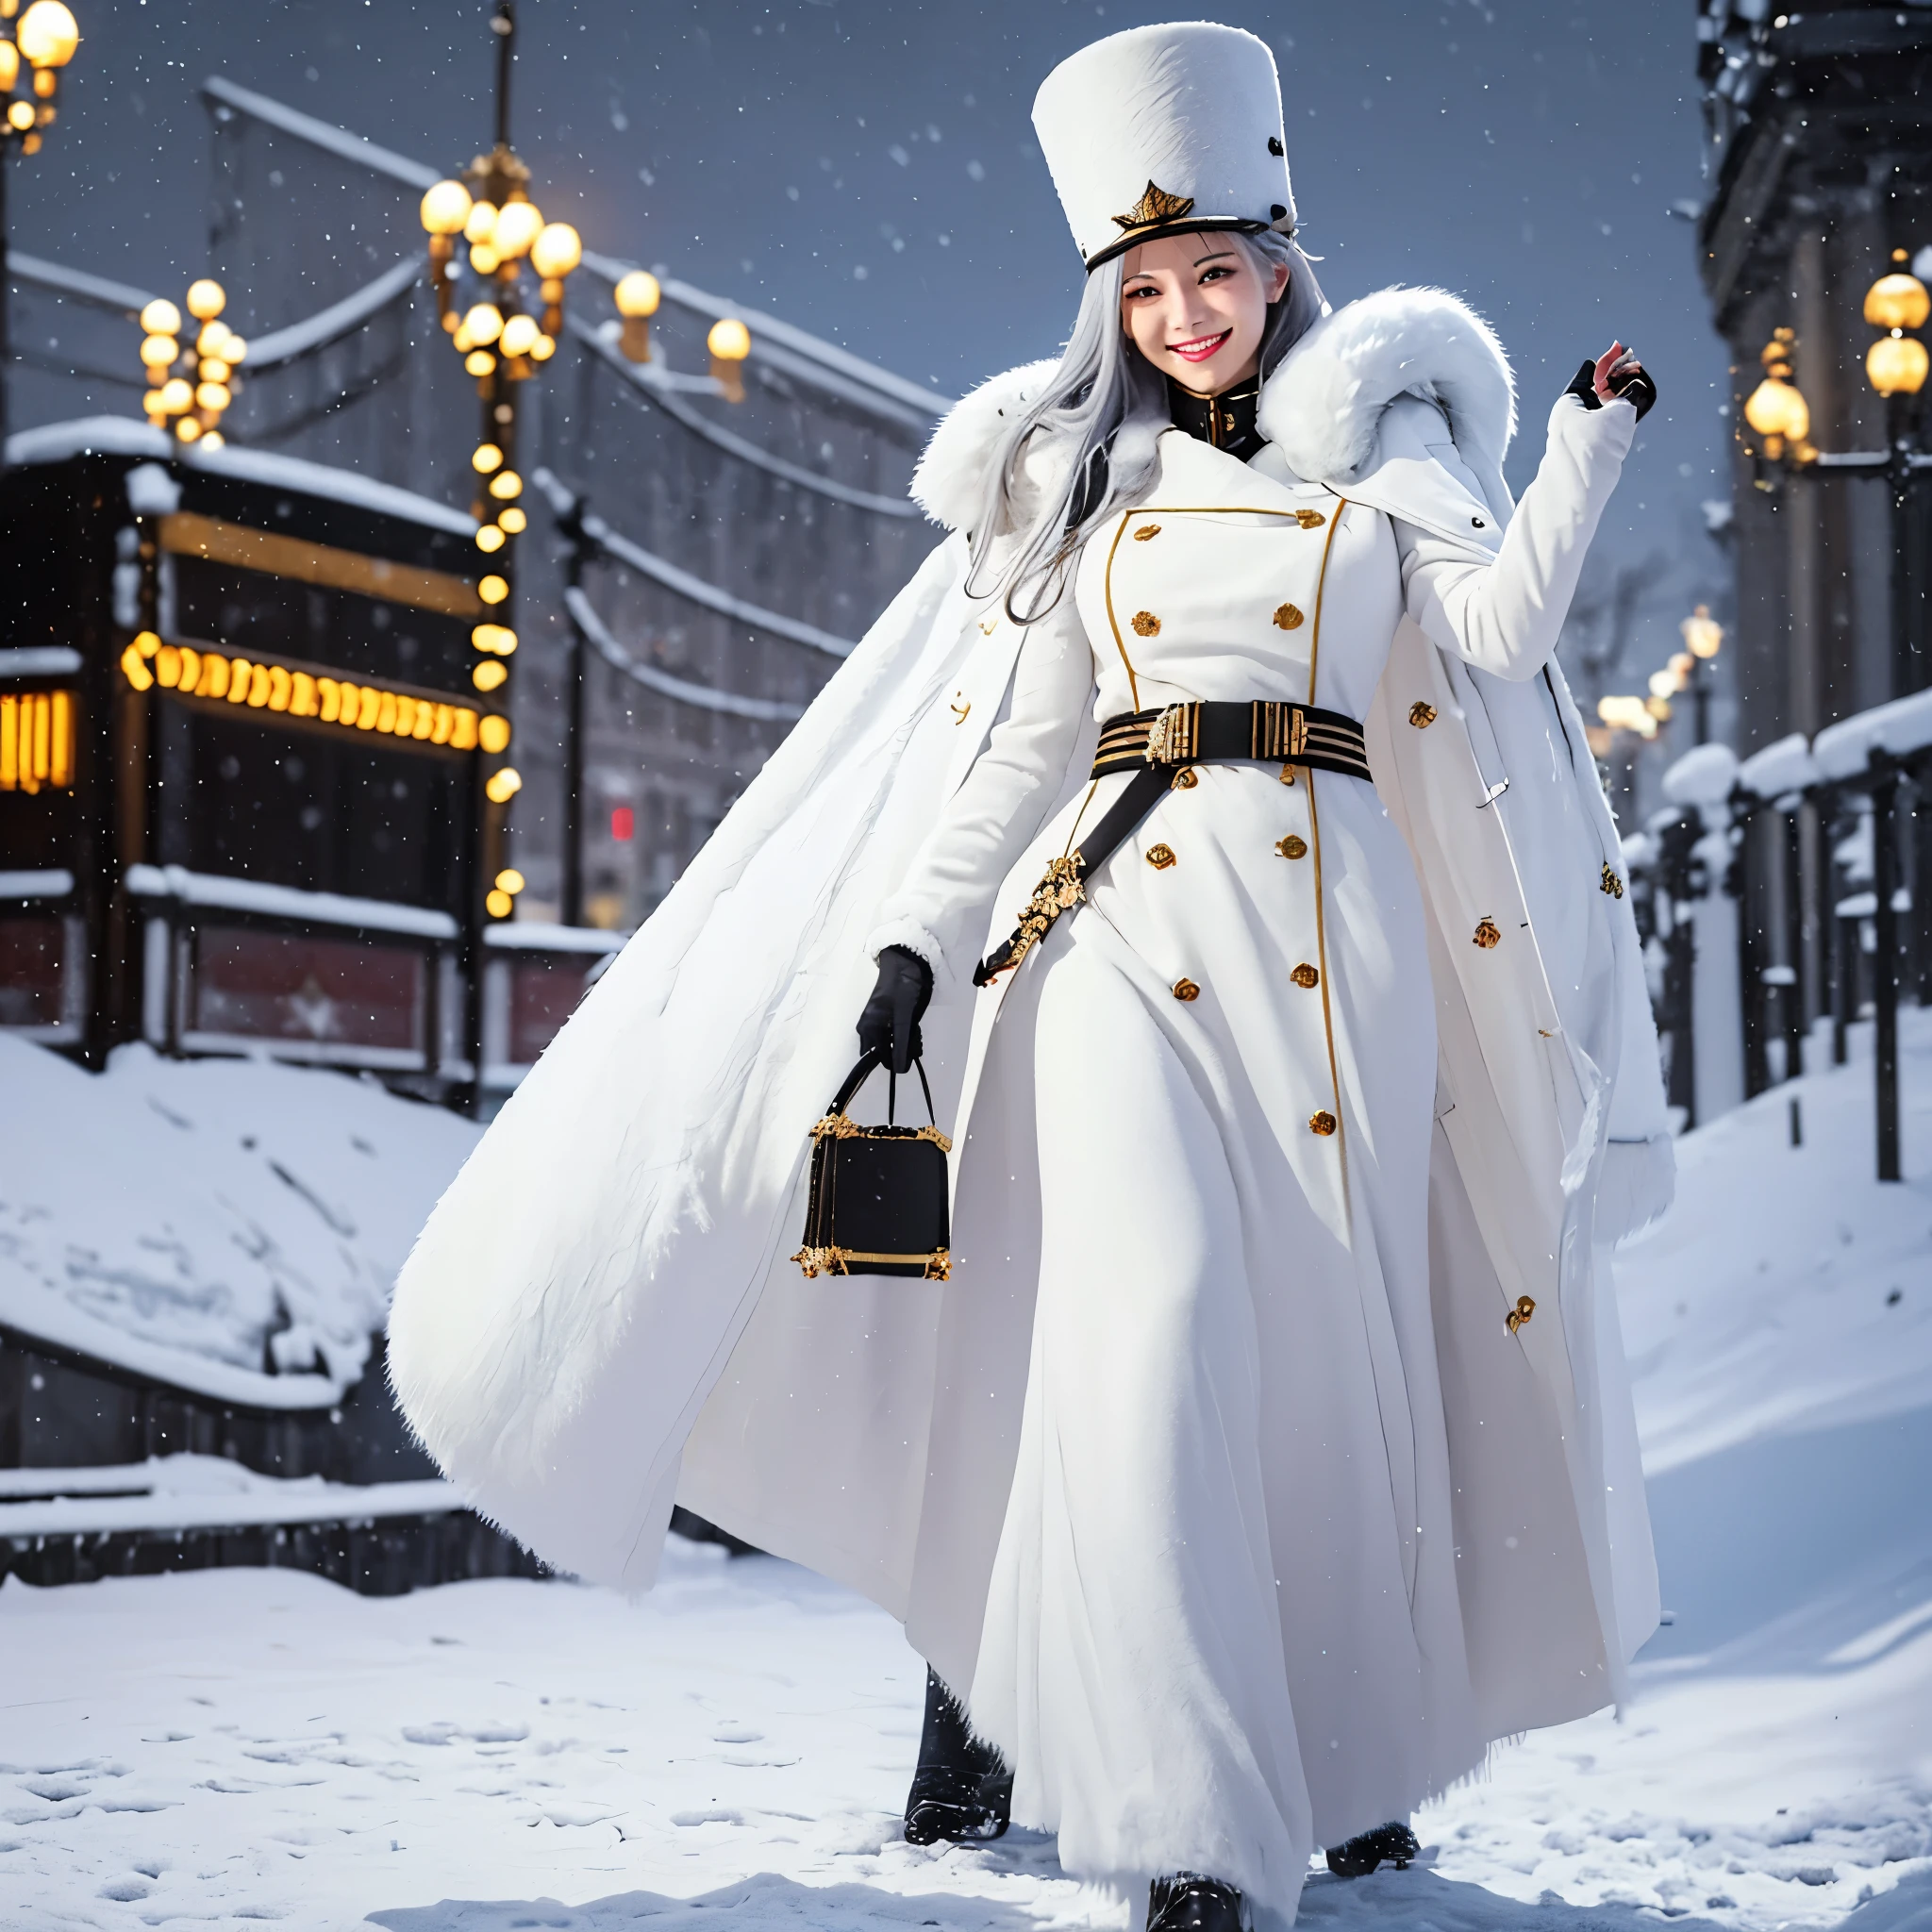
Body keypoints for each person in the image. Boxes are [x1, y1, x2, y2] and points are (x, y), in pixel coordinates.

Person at [390, 24, 1671, 1932]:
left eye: (1212, 273)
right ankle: (1195, 1832)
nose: (1182, 314)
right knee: (1139, 1343)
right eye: (1142, 287)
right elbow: (1007, 752)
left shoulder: (1385, 457)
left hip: (1342, 955)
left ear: (1278, 259)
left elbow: (1492, 630)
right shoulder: (1068, 493)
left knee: (1330, 1362)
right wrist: (910, 948)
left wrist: (1580, 444)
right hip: (1116, 939)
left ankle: (1336, 1766)